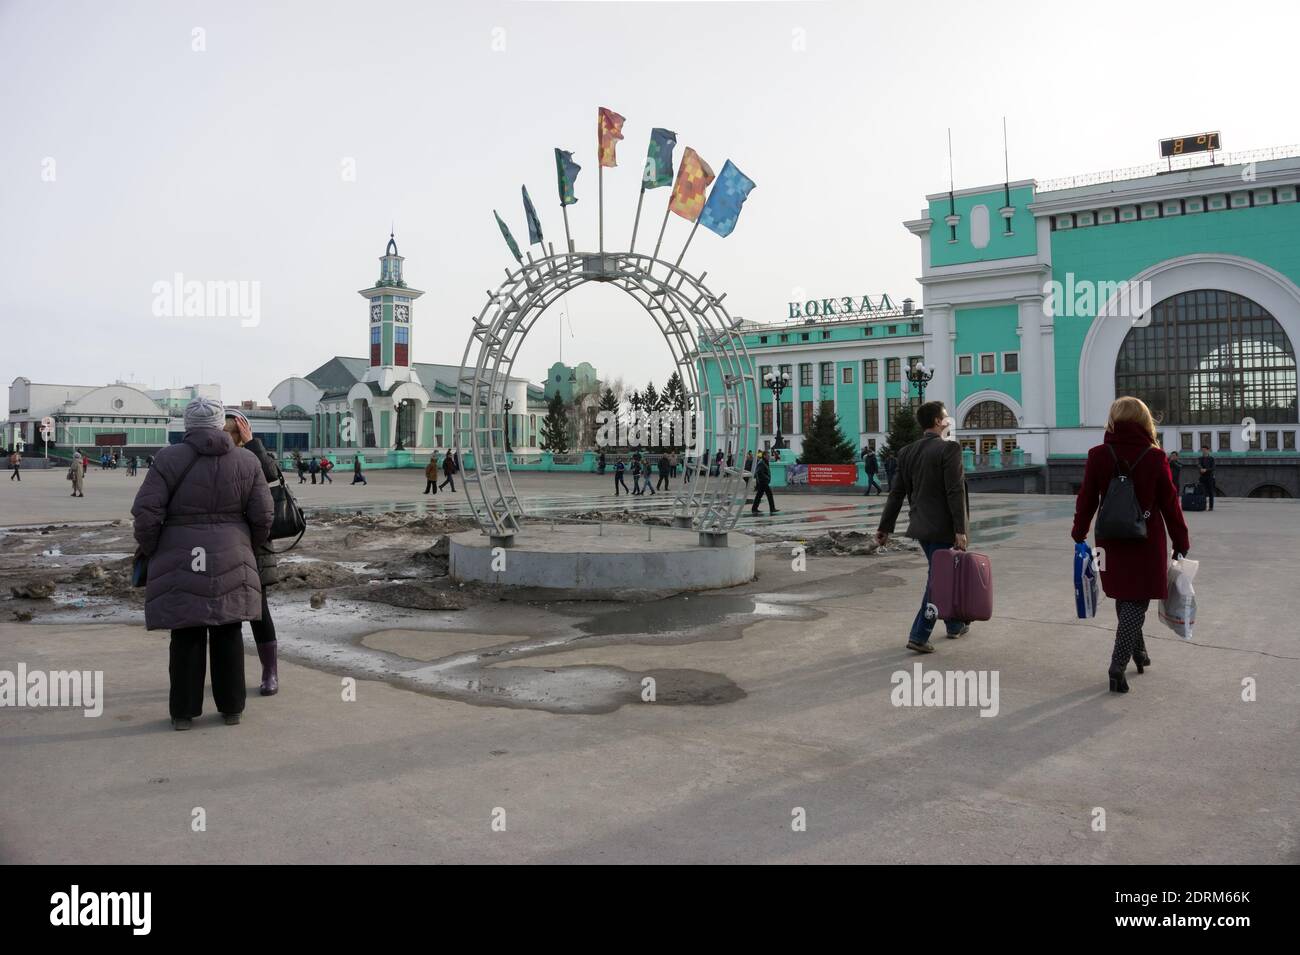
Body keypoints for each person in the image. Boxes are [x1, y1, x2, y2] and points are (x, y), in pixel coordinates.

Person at [132, 397, 273, 729]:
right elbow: (264, 515)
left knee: (186, 633)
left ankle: (183, 713)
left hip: (179, 553)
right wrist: (244, 545)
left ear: (187, 425)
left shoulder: (167, 459)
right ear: (220, 423)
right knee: (229, 629)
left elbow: (146, 513)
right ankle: (231, 708)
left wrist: (155, 549)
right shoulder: (246, 461)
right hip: (232, 550)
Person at [1072, 397, 1190, 694]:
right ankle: (1117, 663)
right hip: (1146, 539)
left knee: (1126, 597)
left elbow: (1086, 498)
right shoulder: (1154, 456)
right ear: (1144, 420)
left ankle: (1140, 653)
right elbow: (1169, 503)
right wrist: (1180, 539)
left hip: (1108, 539)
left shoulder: (1098, 454)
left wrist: (1079, 531)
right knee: (1137, 600)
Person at [875, 400, 970, 653]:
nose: (948, 419)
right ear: (938, 422)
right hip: (943, 528)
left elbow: (897, 493)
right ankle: (919, 634)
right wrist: (960, 530)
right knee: (938, 580)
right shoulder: (949, 450)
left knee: (942, 575)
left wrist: (885, 527)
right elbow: (954, 491)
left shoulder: (906, 452)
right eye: (946, 416)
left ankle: (954, 624)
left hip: (921, 527)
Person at [223, 409, 283, 696]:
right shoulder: (215, 459)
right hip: (225, 545)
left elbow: (273, 477)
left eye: (232, 432)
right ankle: (230, 675)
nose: (228, 437)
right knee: (228, 613)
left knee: (259, 611)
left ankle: (270, 672)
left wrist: (254, 444)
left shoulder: (252, 458)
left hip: (254, 546)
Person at [750, 450, 778, 516]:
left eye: (769, 456)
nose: (769, 457)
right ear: (764, 456)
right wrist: (766, 478)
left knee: (759, 495)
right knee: (769, 494)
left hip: (763, 482)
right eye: (768, 456)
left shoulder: (765, 461)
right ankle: (772, 508)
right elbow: (759, 472)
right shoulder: (761, 462)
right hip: (763, 482)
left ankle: (754, 508)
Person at [1197, 445, 1215, 511]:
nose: (1203, 451)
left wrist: (1206, 470)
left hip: (1210, 477)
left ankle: (1211, 507)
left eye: (1204, 450)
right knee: (1202, 492)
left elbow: (1213, 468)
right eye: (1202, 450)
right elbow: (1198, 465)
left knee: (1210, 492)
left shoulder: (1211, 458)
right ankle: (1203, 506)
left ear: (1208, 450)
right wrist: (1201, 468)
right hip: (1202, 477)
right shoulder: (1200, 458)